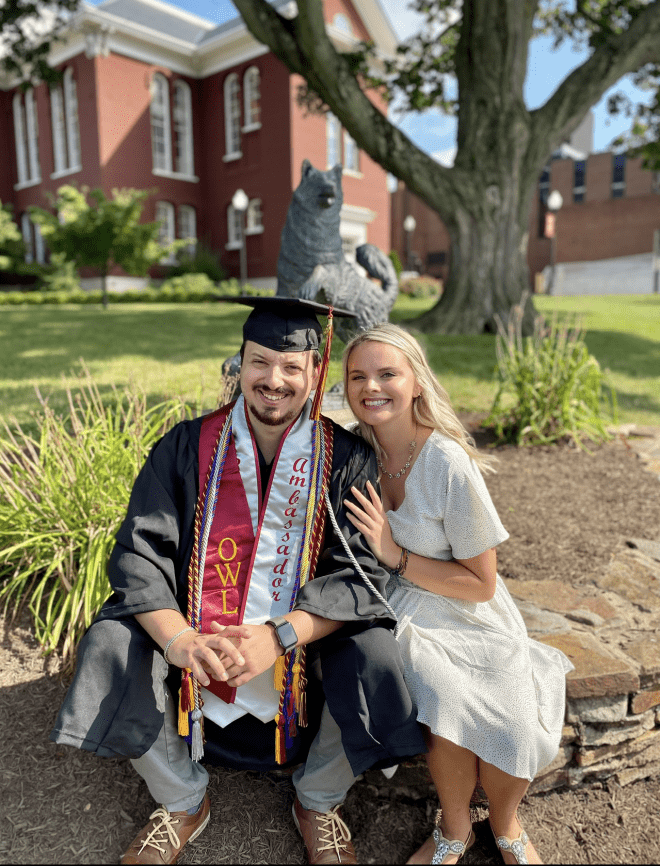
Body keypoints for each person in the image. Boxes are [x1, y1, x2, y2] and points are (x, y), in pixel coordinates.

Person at [51, 299, 426, 866]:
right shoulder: (185, 448)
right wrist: (181, 641)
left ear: (314, 373)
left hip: (300, 669)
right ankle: (181, 800)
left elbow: (360, 575)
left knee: (376, 651)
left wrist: (279, 635)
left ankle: (319, 801)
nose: (273, 380)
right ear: (240, 363)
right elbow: (139, 556)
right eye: (259, 362)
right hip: (194, 665)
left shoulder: (345, 458)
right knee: (108, 642)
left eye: (291, 367)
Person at [342, 323, 574, 866]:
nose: (372, 386)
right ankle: (453, 829)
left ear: (416, 383)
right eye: (359, 376)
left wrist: (391, 551)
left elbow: (481, 582)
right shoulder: (356, 450)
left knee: (512, 714)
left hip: (468, 606)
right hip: (402, 607)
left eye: (388, 374)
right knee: (443, 693)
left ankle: (506, 823)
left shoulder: (447, 463)